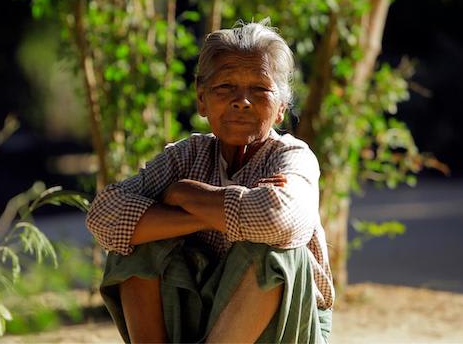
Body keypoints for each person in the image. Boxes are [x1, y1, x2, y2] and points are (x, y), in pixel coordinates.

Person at [86, 19, 334, 343]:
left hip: (279, 331)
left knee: (274, 251)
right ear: (202, 101)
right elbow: (104, 215)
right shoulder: (187, 156)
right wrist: (204, 217)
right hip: (204, 319)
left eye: (259, 89)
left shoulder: (292, 156)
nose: (241, 100)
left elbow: (278, 220)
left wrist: (184, 193)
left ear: (281, 109)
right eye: (225, 88)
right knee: (132, 237)